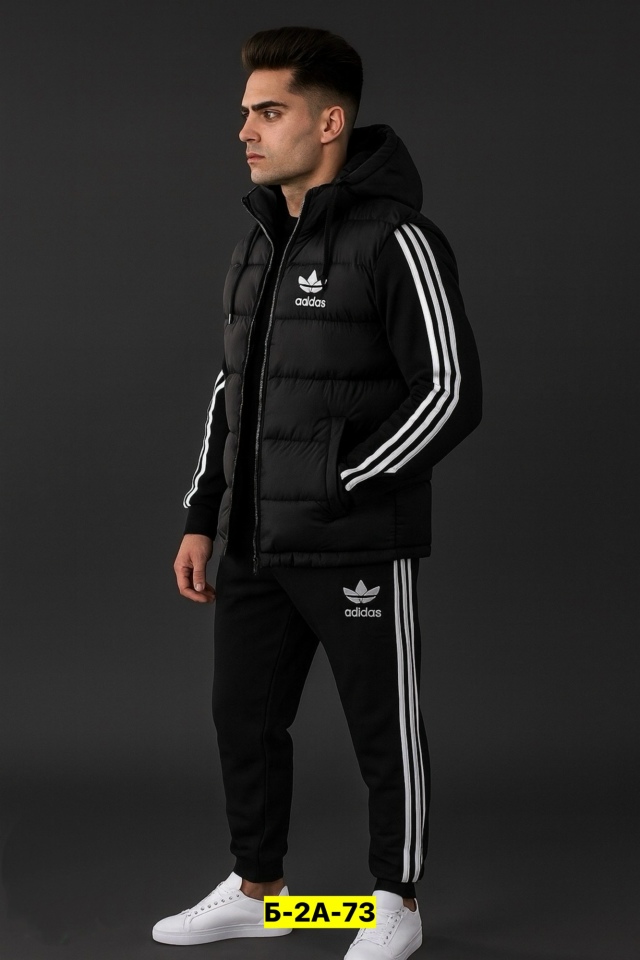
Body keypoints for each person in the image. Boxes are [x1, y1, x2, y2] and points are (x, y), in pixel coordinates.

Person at [152, 25, 482, 960]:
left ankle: (394, 907)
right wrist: (202, 517)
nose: (246, 132)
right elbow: (232, 392)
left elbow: (451, 392)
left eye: (269, 111)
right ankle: (262, 893)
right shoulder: (256, 244)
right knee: (243, 718)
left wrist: (344, 480)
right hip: (255, 540)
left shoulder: (399, 240)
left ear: (329, 122)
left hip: (355, 538)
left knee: (385, 728)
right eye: (245, 113)